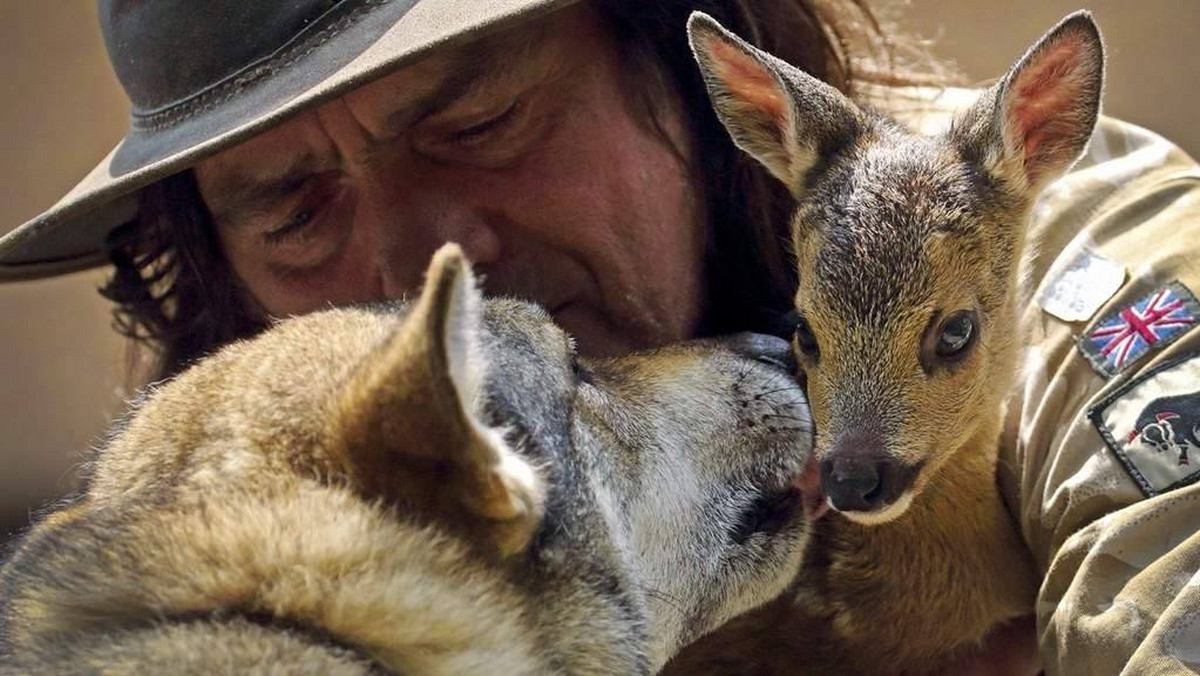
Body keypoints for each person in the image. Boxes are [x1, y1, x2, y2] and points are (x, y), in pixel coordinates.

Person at [1, 1, 1197, 674]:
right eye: (292, 207)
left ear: (688, 80)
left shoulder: (982, 234)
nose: (426, 261)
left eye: (479, 118)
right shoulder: (222, 522)